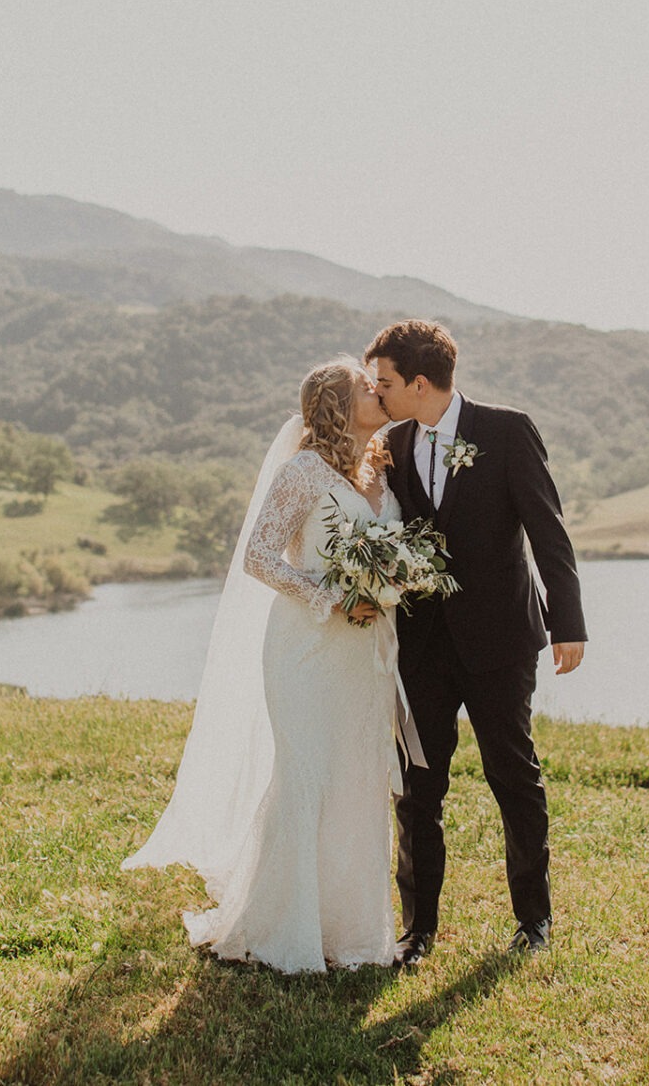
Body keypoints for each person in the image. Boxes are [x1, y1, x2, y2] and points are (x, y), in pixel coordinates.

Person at [122, 360, 403, 973]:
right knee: (308, 778)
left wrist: (388, 587)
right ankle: (286, 929)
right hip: (307, 646)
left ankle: (349, 933)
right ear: (335, 404)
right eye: (364, 386)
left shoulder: (377, 471)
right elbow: (259, 557)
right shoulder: (304, 471)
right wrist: (332, 598)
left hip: (362, 655)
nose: (376, 391)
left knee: (357, 776)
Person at [364, 319, 586, 965]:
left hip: (501, 640)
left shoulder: (506, 430)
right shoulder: (391, 442)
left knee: (513, 777)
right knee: (418, 787)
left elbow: (548, 530)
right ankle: (418, 929)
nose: (376, 394)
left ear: (420, 382)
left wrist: (566, 622)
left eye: (385, 383)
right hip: (423, 644)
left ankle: (533, 921)